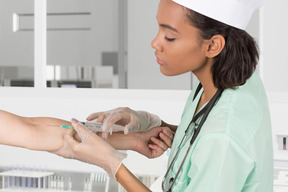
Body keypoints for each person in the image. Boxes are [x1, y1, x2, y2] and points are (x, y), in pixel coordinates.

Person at [61, 0, 273, 191]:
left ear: (213, 45)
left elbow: (216, 141)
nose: (155, 43)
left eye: (169, 36)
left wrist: (111, 164)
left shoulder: (223, 136)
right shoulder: (230, 81)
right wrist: (153, 123)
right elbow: (203, 135)